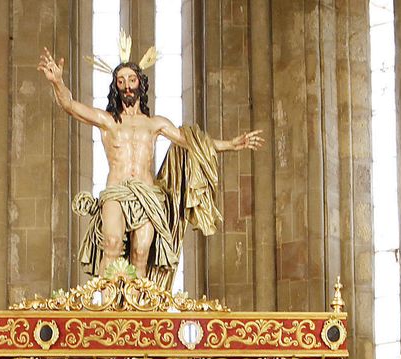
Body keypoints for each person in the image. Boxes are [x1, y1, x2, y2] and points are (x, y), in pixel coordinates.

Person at [37, 45, 264, 286]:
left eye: (131, 80)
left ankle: (138, 315)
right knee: (112, 242)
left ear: (140, 84)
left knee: (141, 252)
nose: (127, 86)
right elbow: (70, 106)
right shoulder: (108, 122)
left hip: (148, 194)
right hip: (117, 191)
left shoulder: (155, 124)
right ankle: (106, 312)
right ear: (115, 86)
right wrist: (57, 82)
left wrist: (230, 144)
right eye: (121, 81)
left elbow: (193, 142)